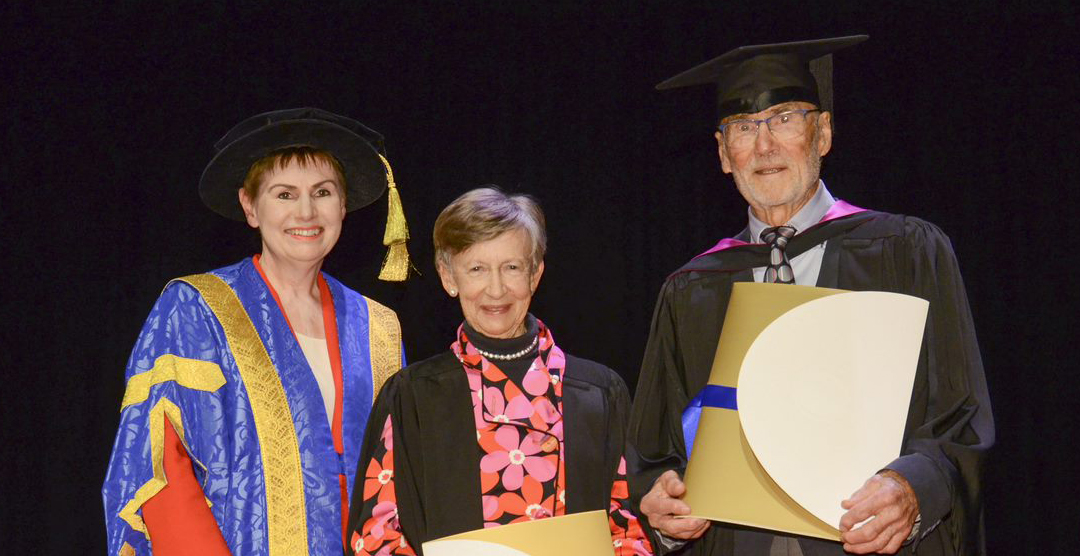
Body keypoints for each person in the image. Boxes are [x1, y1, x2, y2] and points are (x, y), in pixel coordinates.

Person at [628, 36, 994, 556]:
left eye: (784, 119)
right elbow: (654, 456)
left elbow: (962, 415)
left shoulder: (906, 251)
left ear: (822, 133)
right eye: (743, 128)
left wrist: (916, 486)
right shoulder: (691, 289)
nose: (764, 146)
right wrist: (663, 510)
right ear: (722, 154)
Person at [102, 108, 410, 556]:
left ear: (342, 205)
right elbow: (162, 469)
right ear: (250, 206)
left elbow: (398, 475)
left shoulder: (379, 327)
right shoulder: (196, 309)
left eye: (323, 192)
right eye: (284, 194)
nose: (306, 211)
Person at [345, 187, 654, 556]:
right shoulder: (413, 396)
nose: (496, 289)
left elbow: (630, 527)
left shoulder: (598, 392)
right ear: (448, 276)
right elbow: (376, 535)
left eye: (512, 267)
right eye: (477, 268)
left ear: (535, 273)